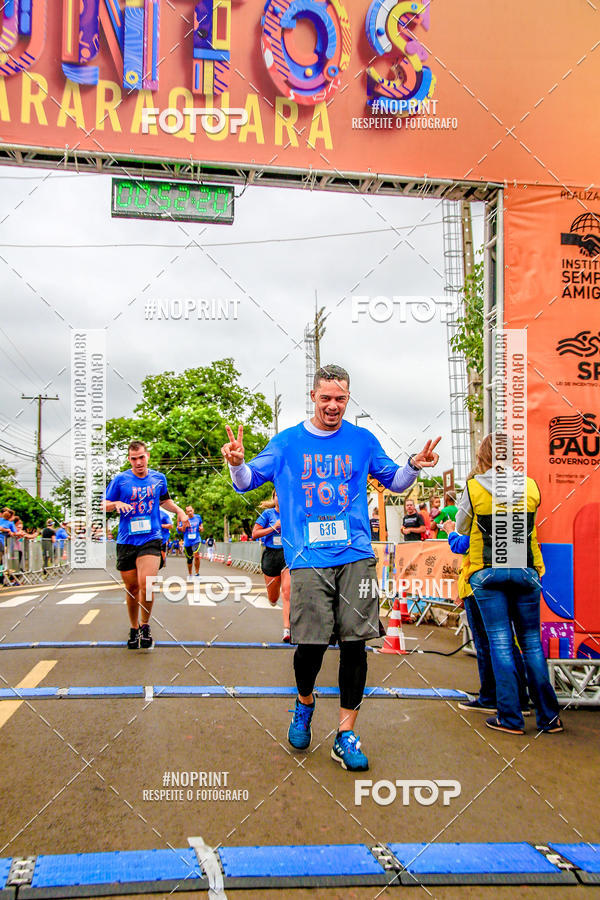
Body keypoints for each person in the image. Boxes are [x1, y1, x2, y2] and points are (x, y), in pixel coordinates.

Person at [222, 364, 440, 771]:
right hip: (307, 558)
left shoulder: (361, 440)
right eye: (326, 398)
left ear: (348, 398)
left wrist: (414, 463)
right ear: (313, 397)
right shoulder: (287, 443)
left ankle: (346, 733)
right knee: (311, 646)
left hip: (355, 553)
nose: (333, 406)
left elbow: (393, 481)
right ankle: (304, 702)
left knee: (357, 644)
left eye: (341, 399)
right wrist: (237, 463)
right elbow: (248, 480)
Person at [456, 433, 563, 735]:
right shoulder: (529, 485)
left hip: (488, 572)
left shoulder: (474, 487)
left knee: (500, 644)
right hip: (526, 568)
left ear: (484, 456)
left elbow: (462, 526)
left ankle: (510, 718)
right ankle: (549, 717)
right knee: (531, 644)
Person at [102, 440, 189, 649]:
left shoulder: (159, 478)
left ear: (147, 456)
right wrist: (116, 504)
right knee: (132, 588)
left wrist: (179, 511)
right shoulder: (121, 480)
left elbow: (163, 500)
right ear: (129, 459)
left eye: (141, 457)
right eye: (134, 459)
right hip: (126, 539)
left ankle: (145, 625)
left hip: (151, 537)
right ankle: (133, 628)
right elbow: (103, 505)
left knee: (147, 584)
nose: (138, 462)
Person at [445, 522, 530, 716]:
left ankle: (491, 697)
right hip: (506, 579)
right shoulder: (511, 515)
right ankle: (520, 698)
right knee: (507, 642)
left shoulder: (479, 514)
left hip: (479, 583)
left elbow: (462, 545)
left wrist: (450, 532)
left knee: (486, 643)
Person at [252, 490, 291, 642]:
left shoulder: (291, 512)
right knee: (273, 597)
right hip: (271, 555)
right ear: (274, 498)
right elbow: (255, 534)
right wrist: (274, 528)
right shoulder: (267, 514)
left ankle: (287, 629)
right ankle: (272, 600)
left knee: (287, 593)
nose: (280, 499)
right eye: (277, 496)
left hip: (287, 555)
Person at [178, 505, 203, 579]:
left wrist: (201, 528)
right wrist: (184, 526)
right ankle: (190, 574)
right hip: (187, 541)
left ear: (193, 510)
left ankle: (197, 573)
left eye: (190, 511)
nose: (189, 512)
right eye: (188, 511)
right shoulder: (184, 519)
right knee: (189, 559)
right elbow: (179, 530)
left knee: (197, 556)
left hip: (196, 540)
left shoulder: (198, 517)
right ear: (186, 512)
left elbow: (201, 525)